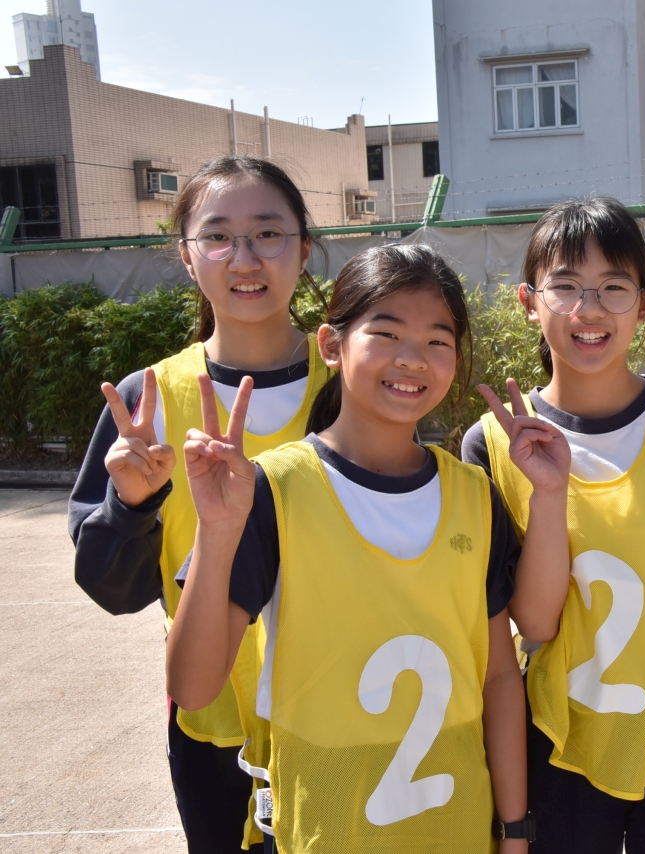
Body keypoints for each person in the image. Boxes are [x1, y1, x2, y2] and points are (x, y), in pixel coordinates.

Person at [165, 244, 534, 852]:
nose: (412, 358)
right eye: (386, 333)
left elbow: (497, 676)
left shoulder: (474, 495)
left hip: (459, 830)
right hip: (323, 832)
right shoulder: (272, 489)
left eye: (438, 341)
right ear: (331, 346)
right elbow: (194, 687)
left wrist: (515, 830)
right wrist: (218, 532)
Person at [464, 197, 645, 854]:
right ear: (528, 302)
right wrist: (548, 497)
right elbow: (535, 625)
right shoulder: (493, 444)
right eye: (565, 286)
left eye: (613, 288)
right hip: (557, 748)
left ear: (644, 304)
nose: (588, 309)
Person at [69, 156, 331, 853]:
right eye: (217, 236)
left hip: (342, 707)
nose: (244, 258)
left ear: (304, 248)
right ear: (186, 255)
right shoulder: (147, 401)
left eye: (268, 233)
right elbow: (114, 590)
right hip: (213, 723)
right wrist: (130, 507)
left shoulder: (352, 385)